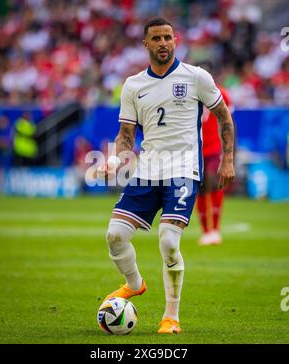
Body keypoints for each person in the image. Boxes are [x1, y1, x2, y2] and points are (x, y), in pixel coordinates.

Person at [97, 18, 235, 334]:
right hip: (147, 171)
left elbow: (223, 117)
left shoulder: (196, 77)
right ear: (145, 44)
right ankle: (134, 284)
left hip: (184, 170)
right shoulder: (133, 85)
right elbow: (126, 134)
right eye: (157, 38)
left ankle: (170, 317)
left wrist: (227, 160)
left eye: (168, 37)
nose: (163, 43)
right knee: (115, 236)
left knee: (169, 241)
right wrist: (116, 157)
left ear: (175, 41)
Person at [196, 61, 233, 246]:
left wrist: (230, 152)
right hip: (195, 149)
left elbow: (228, 122)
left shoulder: (222, 94)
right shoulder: (190, 94)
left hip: (214, 148)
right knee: (200, 189)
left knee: (215, 184)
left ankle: (216, 229)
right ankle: (206, 231)